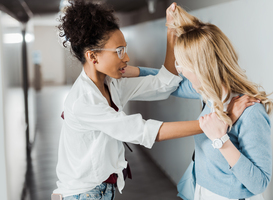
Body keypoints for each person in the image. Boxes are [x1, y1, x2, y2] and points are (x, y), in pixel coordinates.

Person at [52, 1, 258, 200]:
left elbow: (163, 85)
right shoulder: (83, 102)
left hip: (100, 189)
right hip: (82, 194)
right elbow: (145, 132)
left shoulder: (112, 84)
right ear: (93, 57)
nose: (126, 58)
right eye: (119, 51)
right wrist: (221, 120)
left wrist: (171, 32)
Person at [125, 3, 272, 200]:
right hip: (201, 191)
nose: (180, 71)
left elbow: (260, 183)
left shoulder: (250, 111)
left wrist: (221, 140)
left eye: (181, 64)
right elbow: (170, 84)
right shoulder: (208, 95)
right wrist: (136, 72)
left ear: (201, 68)